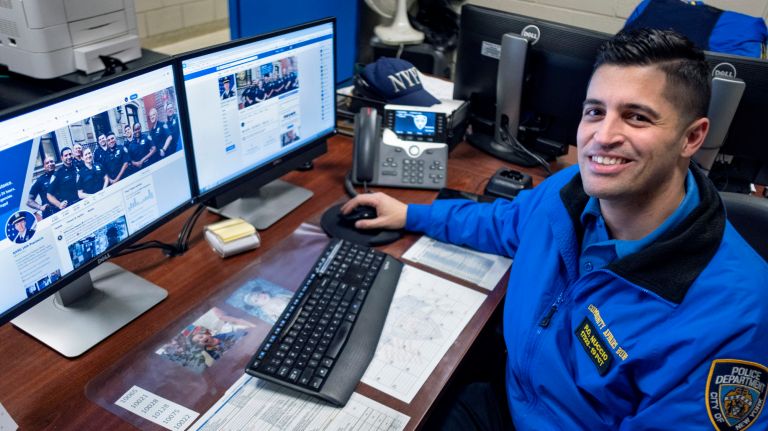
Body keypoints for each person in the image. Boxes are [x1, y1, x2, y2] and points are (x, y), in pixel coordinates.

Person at [341, 28, 768, 429]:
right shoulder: (569, 191)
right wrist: (411, 216)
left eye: (637, 117)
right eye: (595, 111)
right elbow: (504, 223)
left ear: (691, 138)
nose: (603, 136)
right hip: (506, 403)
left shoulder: (735, 319)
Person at [27, 155, 58, 219]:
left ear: (54, 163)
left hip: (65, 209)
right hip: (50, 214)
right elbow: (28, 200)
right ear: (44, 167)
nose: (50, 164)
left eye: (51, 161)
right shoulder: (40, 181)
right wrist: (40, 207)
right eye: (47, 163)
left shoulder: (61, 174)